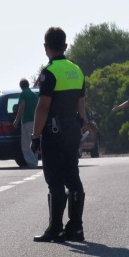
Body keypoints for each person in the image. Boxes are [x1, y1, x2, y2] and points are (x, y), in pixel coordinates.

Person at [30, 27, 86, 243]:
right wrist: (78, 128)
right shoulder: (77, 71)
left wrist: (35, 136)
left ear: (46, 48)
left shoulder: (49, 73)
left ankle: (56, 228)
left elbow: (43, 107)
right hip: (72, 129)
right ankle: (76, 228)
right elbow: (81, 106)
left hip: (53, 132)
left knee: (54, 179)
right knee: (73, 176)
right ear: (65, 46)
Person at [12, 78, 39, 167]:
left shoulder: (23, 94)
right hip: (36, 122)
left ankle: (32, 163)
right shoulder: (35, 95)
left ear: (21, 86)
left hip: (27, 121)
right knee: (34, 142)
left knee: (25, 145)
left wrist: (16, 121)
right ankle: (35, 160)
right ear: (28, 85)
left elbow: (21, 108)